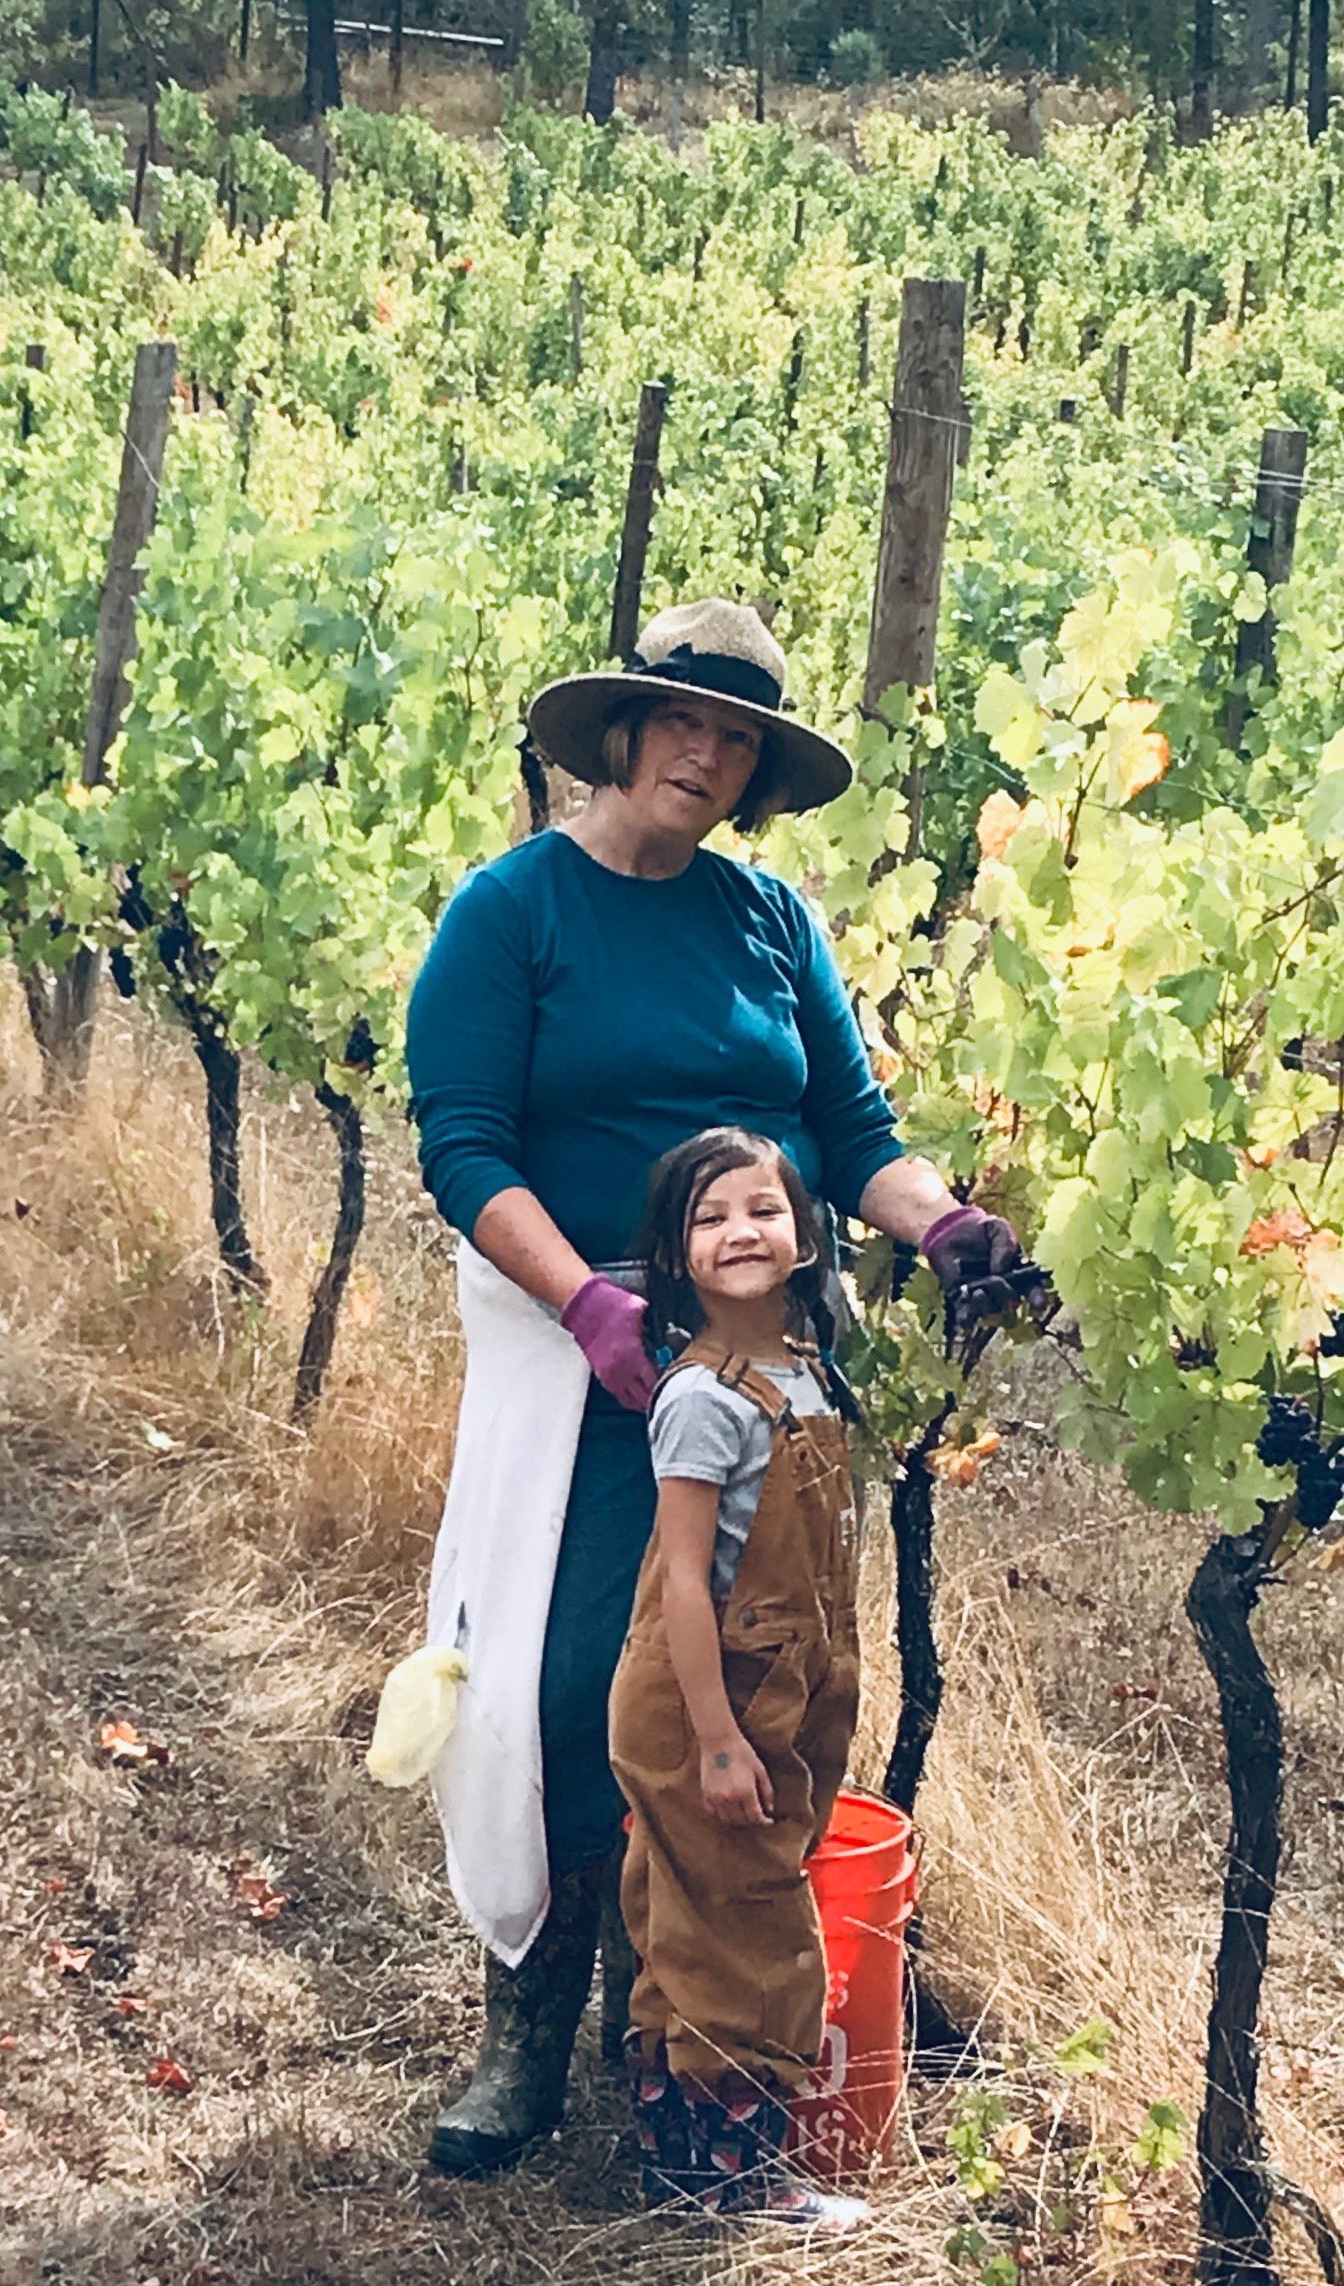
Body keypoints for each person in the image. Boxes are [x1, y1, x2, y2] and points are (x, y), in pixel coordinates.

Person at [404, 598, 1023, 2176]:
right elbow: (463, 1140)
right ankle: (522, 2037)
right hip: (587, 1370)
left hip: (764, 1371)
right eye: (683, 719)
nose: (707, 751)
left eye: (737, 735)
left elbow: (855, 1129)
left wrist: (943, 1225)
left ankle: (671, 2034)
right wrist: (591, 1302)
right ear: (618, 733)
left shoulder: (767, 921)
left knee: (737, 1699)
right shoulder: (512, 910)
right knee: (564, 1699)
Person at [610, 1127, 867, 2230]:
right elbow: (678, 1586)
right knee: (747, 1926)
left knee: (700, 1916)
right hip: (704, 1691)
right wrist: (713, 1739)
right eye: (707, 1219)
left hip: (780, 1681)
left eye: (759, 1209)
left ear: (804, 1234)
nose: (737, 1233)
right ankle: (736, 2183)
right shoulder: (702, 1398)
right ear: (674, 1258)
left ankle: (677, 2165)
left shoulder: (807, 1374)